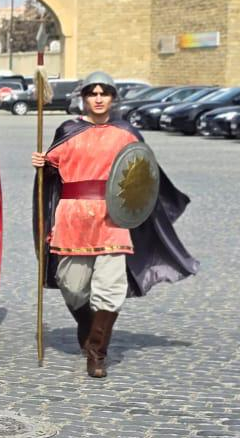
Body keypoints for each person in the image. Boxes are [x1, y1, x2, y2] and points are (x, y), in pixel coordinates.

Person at [32, 72, 198, 378]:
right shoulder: (69, 129)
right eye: (92, 93)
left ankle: (96, 352)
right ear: (83, 98)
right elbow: (52, 170)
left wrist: (136, 207)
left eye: (104, 93)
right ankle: (88, 323)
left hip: (113, 218)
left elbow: (145, 174)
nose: (98, 98)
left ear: (112, 98)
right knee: (72, 285)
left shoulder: (126, 133)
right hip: (73, 216)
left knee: (110, 289)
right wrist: (43, 164)